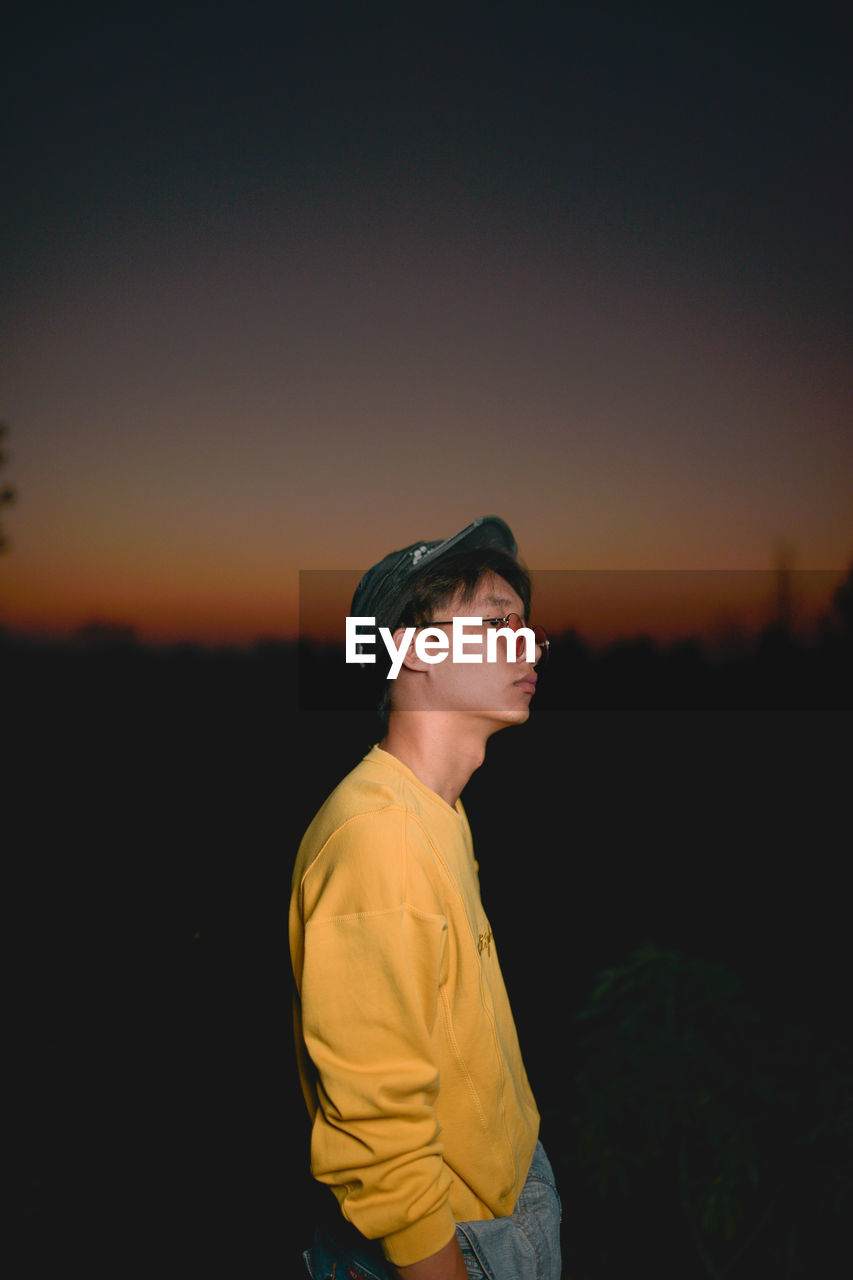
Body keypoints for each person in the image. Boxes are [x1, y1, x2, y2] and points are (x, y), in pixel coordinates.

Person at [290, 516, 561, 1280]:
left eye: (524, 625)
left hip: (502, 1200)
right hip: (452, 1241)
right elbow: (377, 1131)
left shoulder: (434, 809)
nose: (528, 643)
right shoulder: (378, 838)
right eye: (495, 623)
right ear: (410, 650)